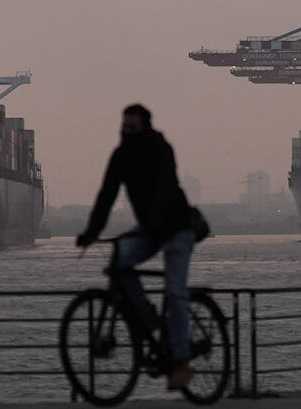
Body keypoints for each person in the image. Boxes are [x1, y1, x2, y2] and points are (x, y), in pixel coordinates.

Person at [76, 103, 196, 390]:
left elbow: (167, 187)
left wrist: (154, 224)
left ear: (145, 127)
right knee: (120, 262)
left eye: (131, 127)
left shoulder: (159, 148)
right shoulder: (121, 156)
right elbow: (107, 195)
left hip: (178, 226)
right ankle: (148, 317)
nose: (126, 132)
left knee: (175, 291)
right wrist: (91, 232)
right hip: (151, 229)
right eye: (123, 127)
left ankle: (181, 361)